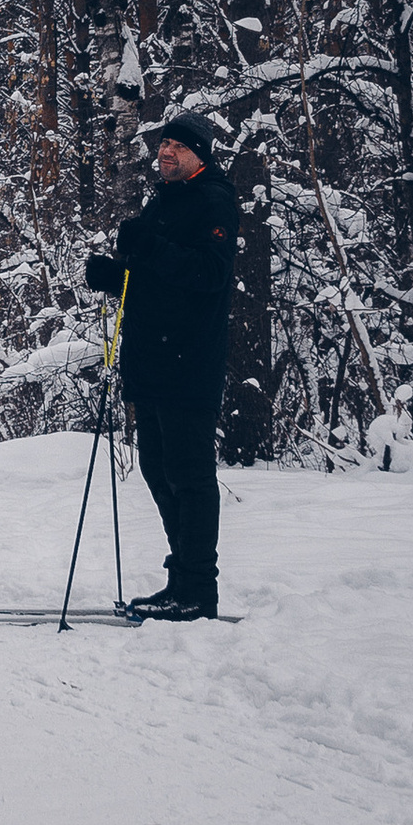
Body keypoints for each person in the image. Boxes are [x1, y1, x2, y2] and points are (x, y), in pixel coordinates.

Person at [84, 108, 239, 621]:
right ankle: (183, 580)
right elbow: (150, 276)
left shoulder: (213, 199)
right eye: (162, 143)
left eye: (175, 144)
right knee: (156, 469)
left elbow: (207, 274)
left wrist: (148, 248)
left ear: (199, 152)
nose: (164, 151)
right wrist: (114, 275)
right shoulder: (163, 201)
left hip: (188, 362)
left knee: (188, 475)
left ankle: (198, 588)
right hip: (150, 361)